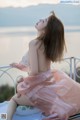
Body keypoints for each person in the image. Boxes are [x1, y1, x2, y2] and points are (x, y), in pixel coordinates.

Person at [7, 11, 80, 120]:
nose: (40, 19)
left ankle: (3, 118)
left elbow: (35, 71)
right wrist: (20, 66)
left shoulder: (34, 44)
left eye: (44, 21)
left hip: (39, 88)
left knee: (13, 100)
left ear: (46, 30)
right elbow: (41, 69)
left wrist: (23, 81)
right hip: (49, 86)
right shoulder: (48, 45)